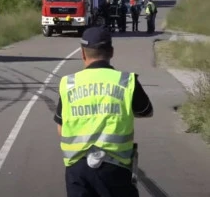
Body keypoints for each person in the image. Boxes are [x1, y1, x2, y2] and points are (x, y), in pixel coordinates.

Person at [54, 26, 153, 197]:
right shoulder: (126, 81)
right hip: (116, 168)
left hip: (78, 169)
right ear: (111, 52)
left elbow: (61, 127)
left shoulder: (69, 84)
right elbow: (146, 111)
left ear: (83, 53)